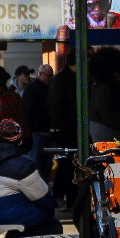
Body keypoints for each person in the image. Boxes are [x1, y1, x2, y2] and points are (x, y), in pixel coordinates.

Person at [47, 56, 78, 208]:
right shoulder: (66, 80)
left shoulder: (61, 79)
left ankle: (61, 196)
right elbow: (61, 105)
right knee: (68, 163)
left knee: (65, 163)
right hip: (67, 128)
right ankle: (64, 196)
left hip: (62, 127)